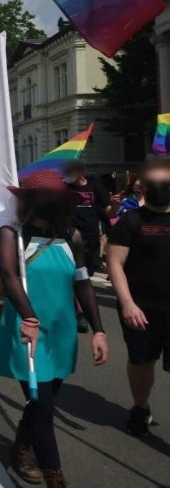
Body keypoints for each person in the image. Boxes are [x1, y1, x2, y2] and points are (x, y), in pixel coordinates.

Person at [0, 171, 107, 487]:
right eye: (47, 195)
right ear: (30, 200)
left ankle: (22, 443)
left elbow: (82, 283)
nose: (54, 201)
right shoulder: (12, 234)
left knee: (43, 402)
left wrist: (99, 330)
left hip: (61, 332)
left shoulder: (72, 236)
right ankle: (54, 475)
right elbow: (9, 276)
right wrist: (29, 318)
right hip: (26, 330)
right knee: (43, 406)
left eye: (59, 196)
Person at [106, 159, 170, 437]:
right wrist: (128, 303)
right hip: (141, 309)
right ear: (143, 186)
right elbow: (114, 263)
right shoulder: (130, 221)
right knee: (142, 361)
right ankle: (140, 407)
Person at [63, 160, 112, 325]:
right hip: (71, 236)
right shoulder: (65, 188)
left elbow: (107, 210)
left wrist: (115, 206)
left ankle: (77, 306)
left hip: (91, 237)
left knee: (86, 273)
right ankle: (79, 311)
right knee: (75, 273)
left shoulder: (95, 186)